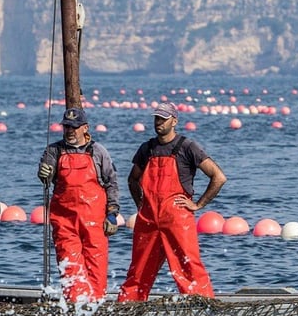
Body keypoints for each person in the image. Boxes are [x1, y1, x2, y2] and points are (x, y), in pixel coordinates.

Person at [117, 102, 226, 301]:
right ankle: (127, 307)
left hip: (177, 219)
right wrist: (141, 205)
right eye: (156, 118)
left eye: (163, 119)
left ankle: (201, 305)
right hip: (148, 220)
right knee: (139, 270)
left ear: (174, 121)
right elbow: (132, 180)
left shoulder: (187, 147)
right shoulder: (147, 148)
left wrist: (198, 204)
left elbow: (218, 177)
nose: (158, 122)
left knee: (189, 266)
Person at [37, 107, 120, 302]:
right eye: (66, 127)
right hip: (65, 222)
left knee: (96, 269)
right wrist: (44, 173)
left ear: (85, 128)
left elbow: (112, 183)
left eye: (74, 127)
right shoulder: (54, 150)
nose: (70, 131)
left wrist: (112, 213)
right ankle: (76, 312)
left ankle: (96, 308)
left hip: (95, 221)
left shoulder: (98, 152)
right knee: (70, 270)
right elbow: (45, 179)